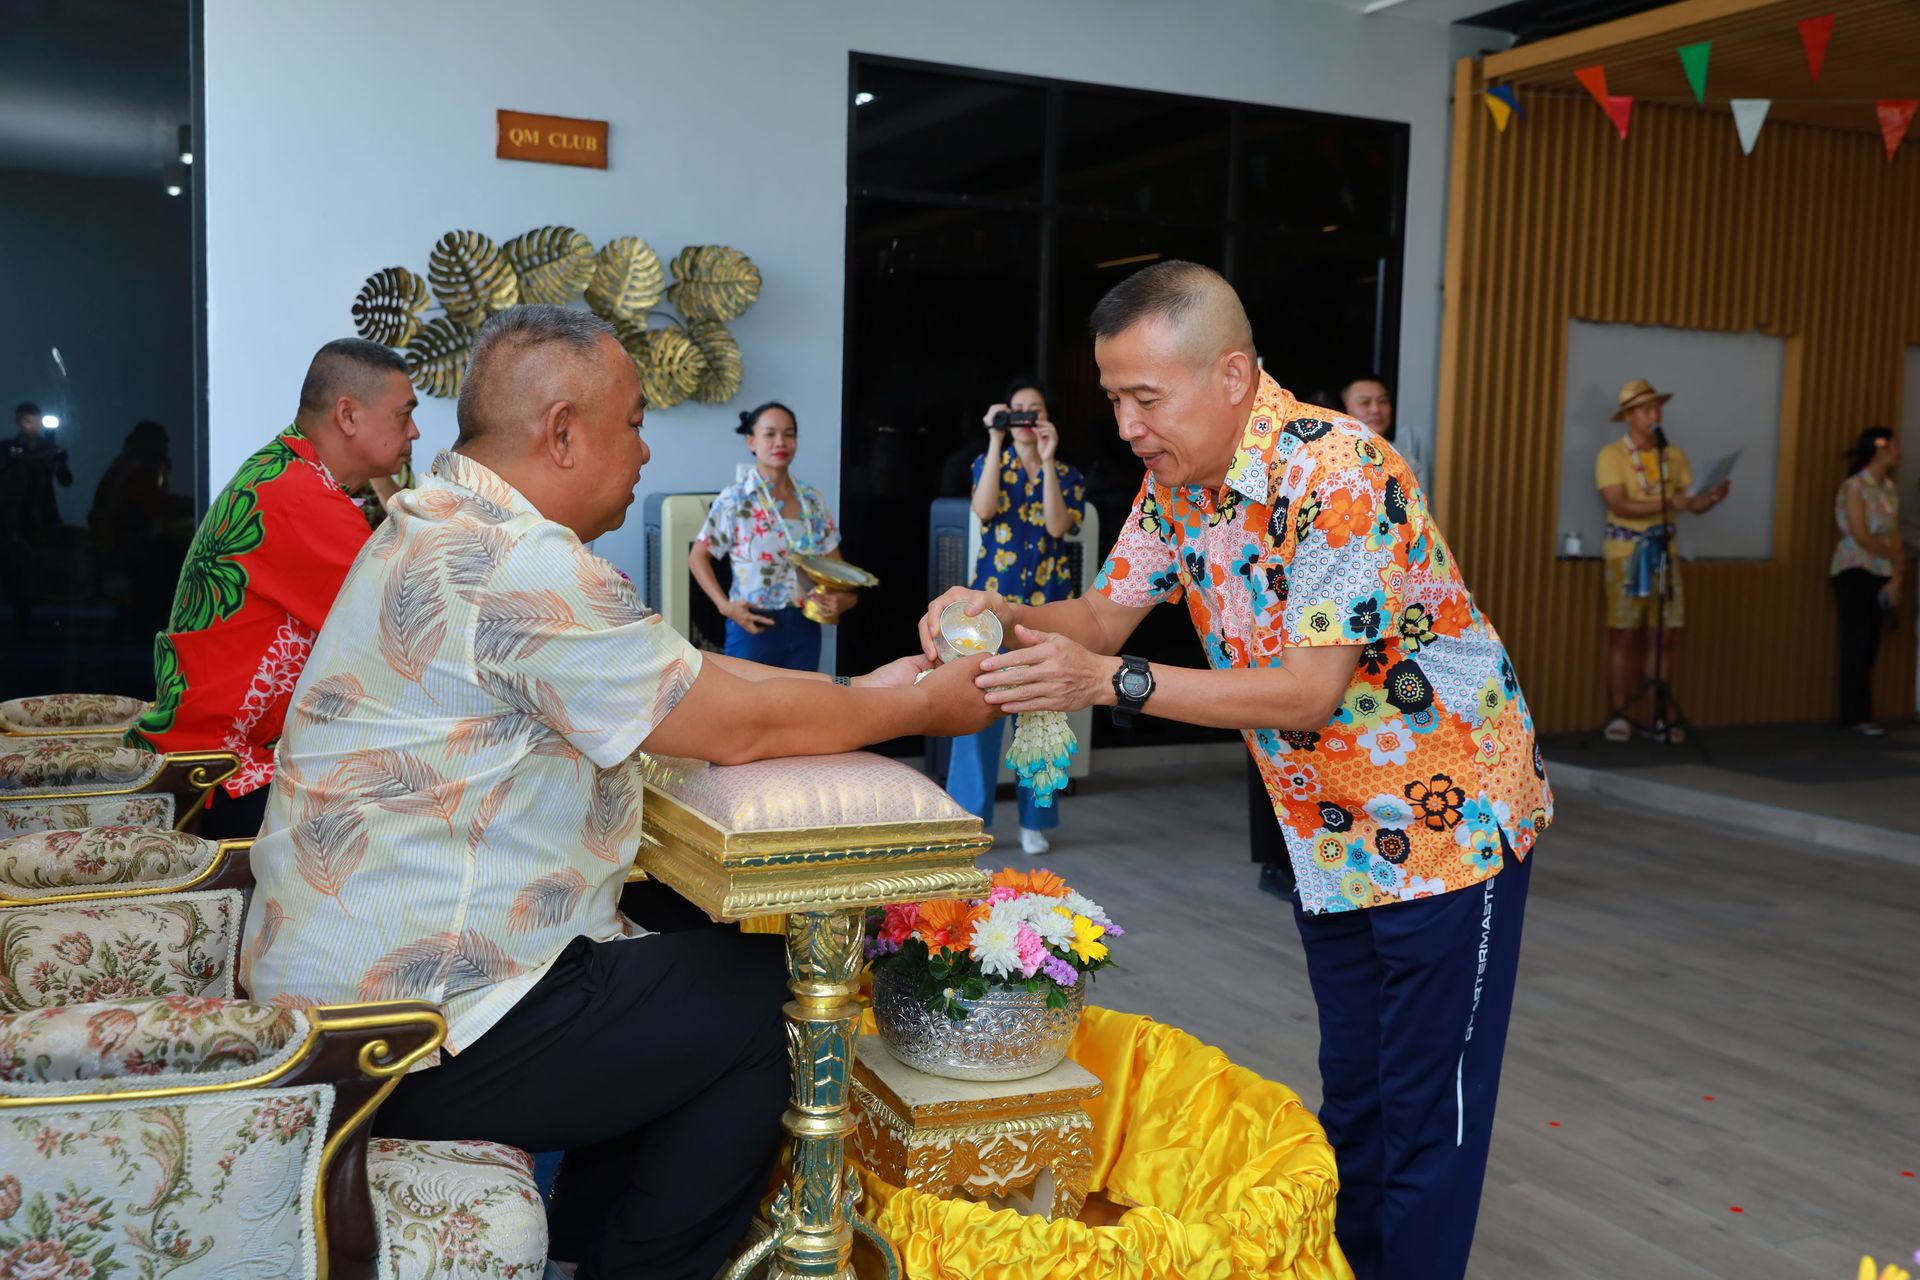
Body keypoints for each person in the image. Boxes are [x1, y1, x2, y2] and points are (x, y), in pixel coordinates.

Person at [239, 305, 994, 1280]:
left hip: (354, 1000)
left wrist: (866, 689)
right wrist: (920, 707)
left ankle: (594, 1244)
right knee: (772, 1002)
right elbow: (733, 723)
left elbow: (682, 672)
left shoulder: (444, 519)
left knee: (687, 944)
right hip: (406, 1038)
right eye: (633, 423)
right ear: (561, 430)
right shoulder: (515, 560)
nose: (644, 451)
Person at [916, 262, 1550, 1280]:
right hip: (1331, 831)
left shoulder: (1341, 471)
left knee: (1429, 1114)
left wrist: (1108, 682)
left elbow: (1306, 690)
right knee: (1355, 1096)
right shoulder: (1178, 485)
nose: (1126, 426)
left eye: (1144, 397)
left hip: (1449, 826)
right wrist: (997, 611)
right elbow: (1102, 616)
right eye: (1113, 399)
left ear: (1233, 375)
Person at [126, 339, 420, 838]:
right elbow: (411, 632)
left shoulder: (285, 470)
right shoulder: (302, 499)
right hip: (220, 773)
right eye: (404, 414)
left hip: (207, 750)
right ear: (348, 415)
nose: (414, 431)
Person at [944, 378, 1086, 855]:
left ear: (1047, 417)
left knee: (1042, 718)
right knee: (976, 715)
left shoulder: (1066, 473)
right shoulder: (988, 463)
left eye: (1034, 410)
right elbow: (983, 509)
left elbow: (1058, 526)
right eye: (1017, 410)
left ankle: (1034, 821)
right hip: (987, 613)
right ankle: (970, 823)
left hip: (1046, 611)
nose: (1026, 418)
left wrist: (1047, 460)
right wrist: (994, 437)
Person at [1593, 378, 1728, 743]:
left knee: (1664, 635)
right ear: (1629, 416)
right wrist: (1673, 503)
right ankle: (1620, 714)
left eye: (1657, 408)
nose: (1654, 415)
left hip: (1666, 553)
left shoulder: (1673, 455)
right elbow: (1618, 503)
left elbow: (1691, 502)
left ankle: (1657, 719)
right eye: (1646, 409)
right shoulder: (1611, 455)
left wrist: (1713, 497)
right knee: (1624, 634)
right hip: (1627, 553)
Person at [689, 401, 854, 672]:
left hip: (804, 625)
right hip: (752, 625)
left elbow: (837, 569)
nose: (780, 442)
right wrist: (725, 607)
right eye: (770, 434)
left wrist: (843, 599)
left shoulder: (812, 500)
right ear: (751, 442)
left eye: (789, 434)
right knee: (744, 698)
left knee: (800, 698)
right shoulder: (735, 498)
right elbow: (698, 557)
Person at [88, 419, 193, 641]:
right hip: (123, 549)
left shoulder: (133, 467)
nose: (165, 449)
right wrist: (198, 504)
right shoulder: (134, 470)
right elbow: (158, 505)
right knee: (170, 556)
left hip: (123, 545)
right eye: (161, 443)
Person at [1830, 426, 1905, 734]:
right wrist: (1892, 554)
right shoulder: (1854, 487)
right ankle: (1855, 715)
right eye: (1893, 447)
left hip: (1882, 570)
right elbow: (1860, 534)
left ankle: (1863, 713)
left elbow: (1894, 531)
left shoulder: (1889, 488)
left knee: (1871, 642)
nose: (1898, 452)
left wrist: (1897, 575)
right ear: (1879, 450)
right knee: (1857, 640)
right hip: (1855, 568)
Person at [1, 402, 74, 635]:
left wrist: (59, 461)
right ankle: (21, 619)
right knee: (18, 568)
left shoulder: (49, 449)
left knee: (47, 567)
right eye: (26, 421)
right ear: (18, 422)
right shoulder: (8, 448)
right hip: (16, 516)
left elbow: (65, 480)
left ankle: (46, 621)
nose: (31, 426)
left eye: (35, 421)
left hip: (43, 515)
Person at [1340, 375, 1430, 496]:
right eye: (1365, 403)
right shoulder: (1332, 455)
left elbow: (1422, 505)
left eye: (1382, 401)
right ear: (1344, 410)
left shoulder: (1406, 460)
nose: (1376, 409)